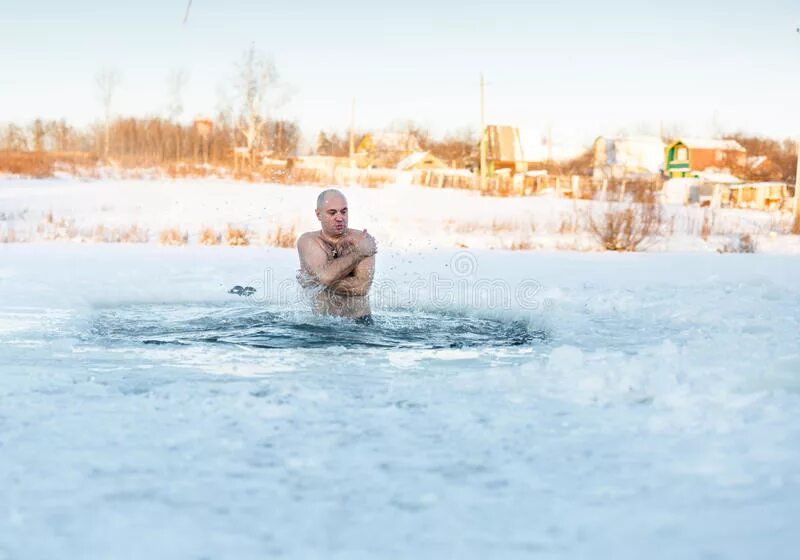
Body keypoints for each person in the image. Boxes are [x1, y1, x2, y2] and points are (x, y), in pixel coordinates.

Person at [296, 189, 377, 321]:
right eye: (332, 213)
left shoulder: (362, 240)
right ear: (318, 215)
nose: (340, 218)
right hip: (323, 326)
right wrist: (358, 254)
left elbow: (362, 287)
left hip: (361, 324)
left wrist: (314, 281)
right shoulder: (308, 241)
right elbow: (326, 276)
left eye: (343, 212)